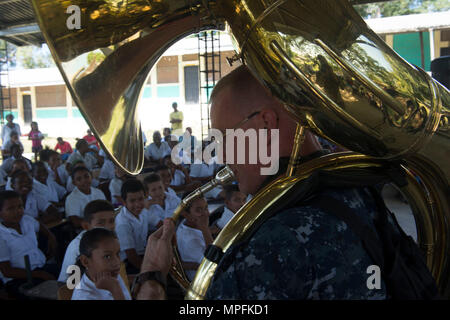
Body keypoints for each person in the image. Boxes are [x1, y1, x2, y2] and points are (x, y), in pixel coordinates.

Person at [135, 65, 397, 300]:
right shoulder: (359, 192)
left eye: (224, 137)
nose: (222, 154)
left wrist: (153, 278)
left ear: (266, 124)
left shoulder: (273, 241)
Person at [0, 190, 58, 299]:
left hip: (42, 267)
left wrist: (51, 236)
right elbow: (7, 271)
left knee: (74, 276)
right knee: (53, 294)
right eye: (11, 209)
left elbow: (39, 226)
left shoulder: (26, 220)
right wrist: (39, 274)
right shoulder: (1, 234)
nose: (17, 211)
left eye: (20, 206)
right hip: (20, 279)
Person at [58, 199, 115, 283]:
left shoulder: (108, 239)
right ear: (86, 226)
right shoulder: (79, 247)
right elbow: (75, 283)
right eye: (101, 223)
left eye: (111, 221)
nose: (108, 227)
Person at [72, 228, 131, 300]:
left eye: (117, 254)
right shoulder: (83, 296)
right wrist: (115, 289)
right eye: (107, 256)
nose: (117, 262)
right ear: (85, 261)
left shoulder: (111, 275)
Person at [115, 179, 159, 274]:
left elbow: (161, 224)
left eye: (140, 199)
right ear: (124, 202)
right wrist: (148, 271)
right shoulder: (123, 222)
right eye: (132, 201)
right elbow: (131, 255)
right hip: (130, 262)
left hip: (144, 253)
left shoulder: (143, 212)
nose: (138, 204)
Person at [176, 196, 213, 281]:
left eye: (206, 208)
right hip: (204, 281)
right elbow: (212, 261)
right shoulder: (191, 240)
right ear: (186, 214)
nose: (206, 213)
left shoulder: (186, 223)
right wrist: (205, 229)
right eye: (198, 210)